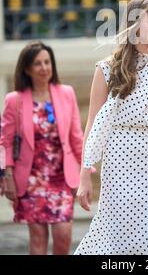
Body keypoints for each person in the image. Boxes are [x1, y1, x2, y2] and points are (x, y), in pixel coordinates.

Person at [75, 0, 148, 255]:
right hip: (122, 161)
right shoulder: (108, 69)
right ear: (135, 24)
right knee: (123, 238)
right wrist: (85, 175)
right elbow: (93, 123)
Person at [0, 41, 83, 255]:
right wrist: (6, 176)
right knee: (38, 241)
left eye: (47, 62)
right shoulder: (14, 100)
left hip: (61, 179)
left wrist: (85, 169)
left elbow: (75, 136)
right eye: (38, 63)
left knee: (63, 236)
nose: (44, 68)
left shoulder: (66, 94)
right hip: (30, 181)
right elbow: (5, 142)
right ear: (27, 69)